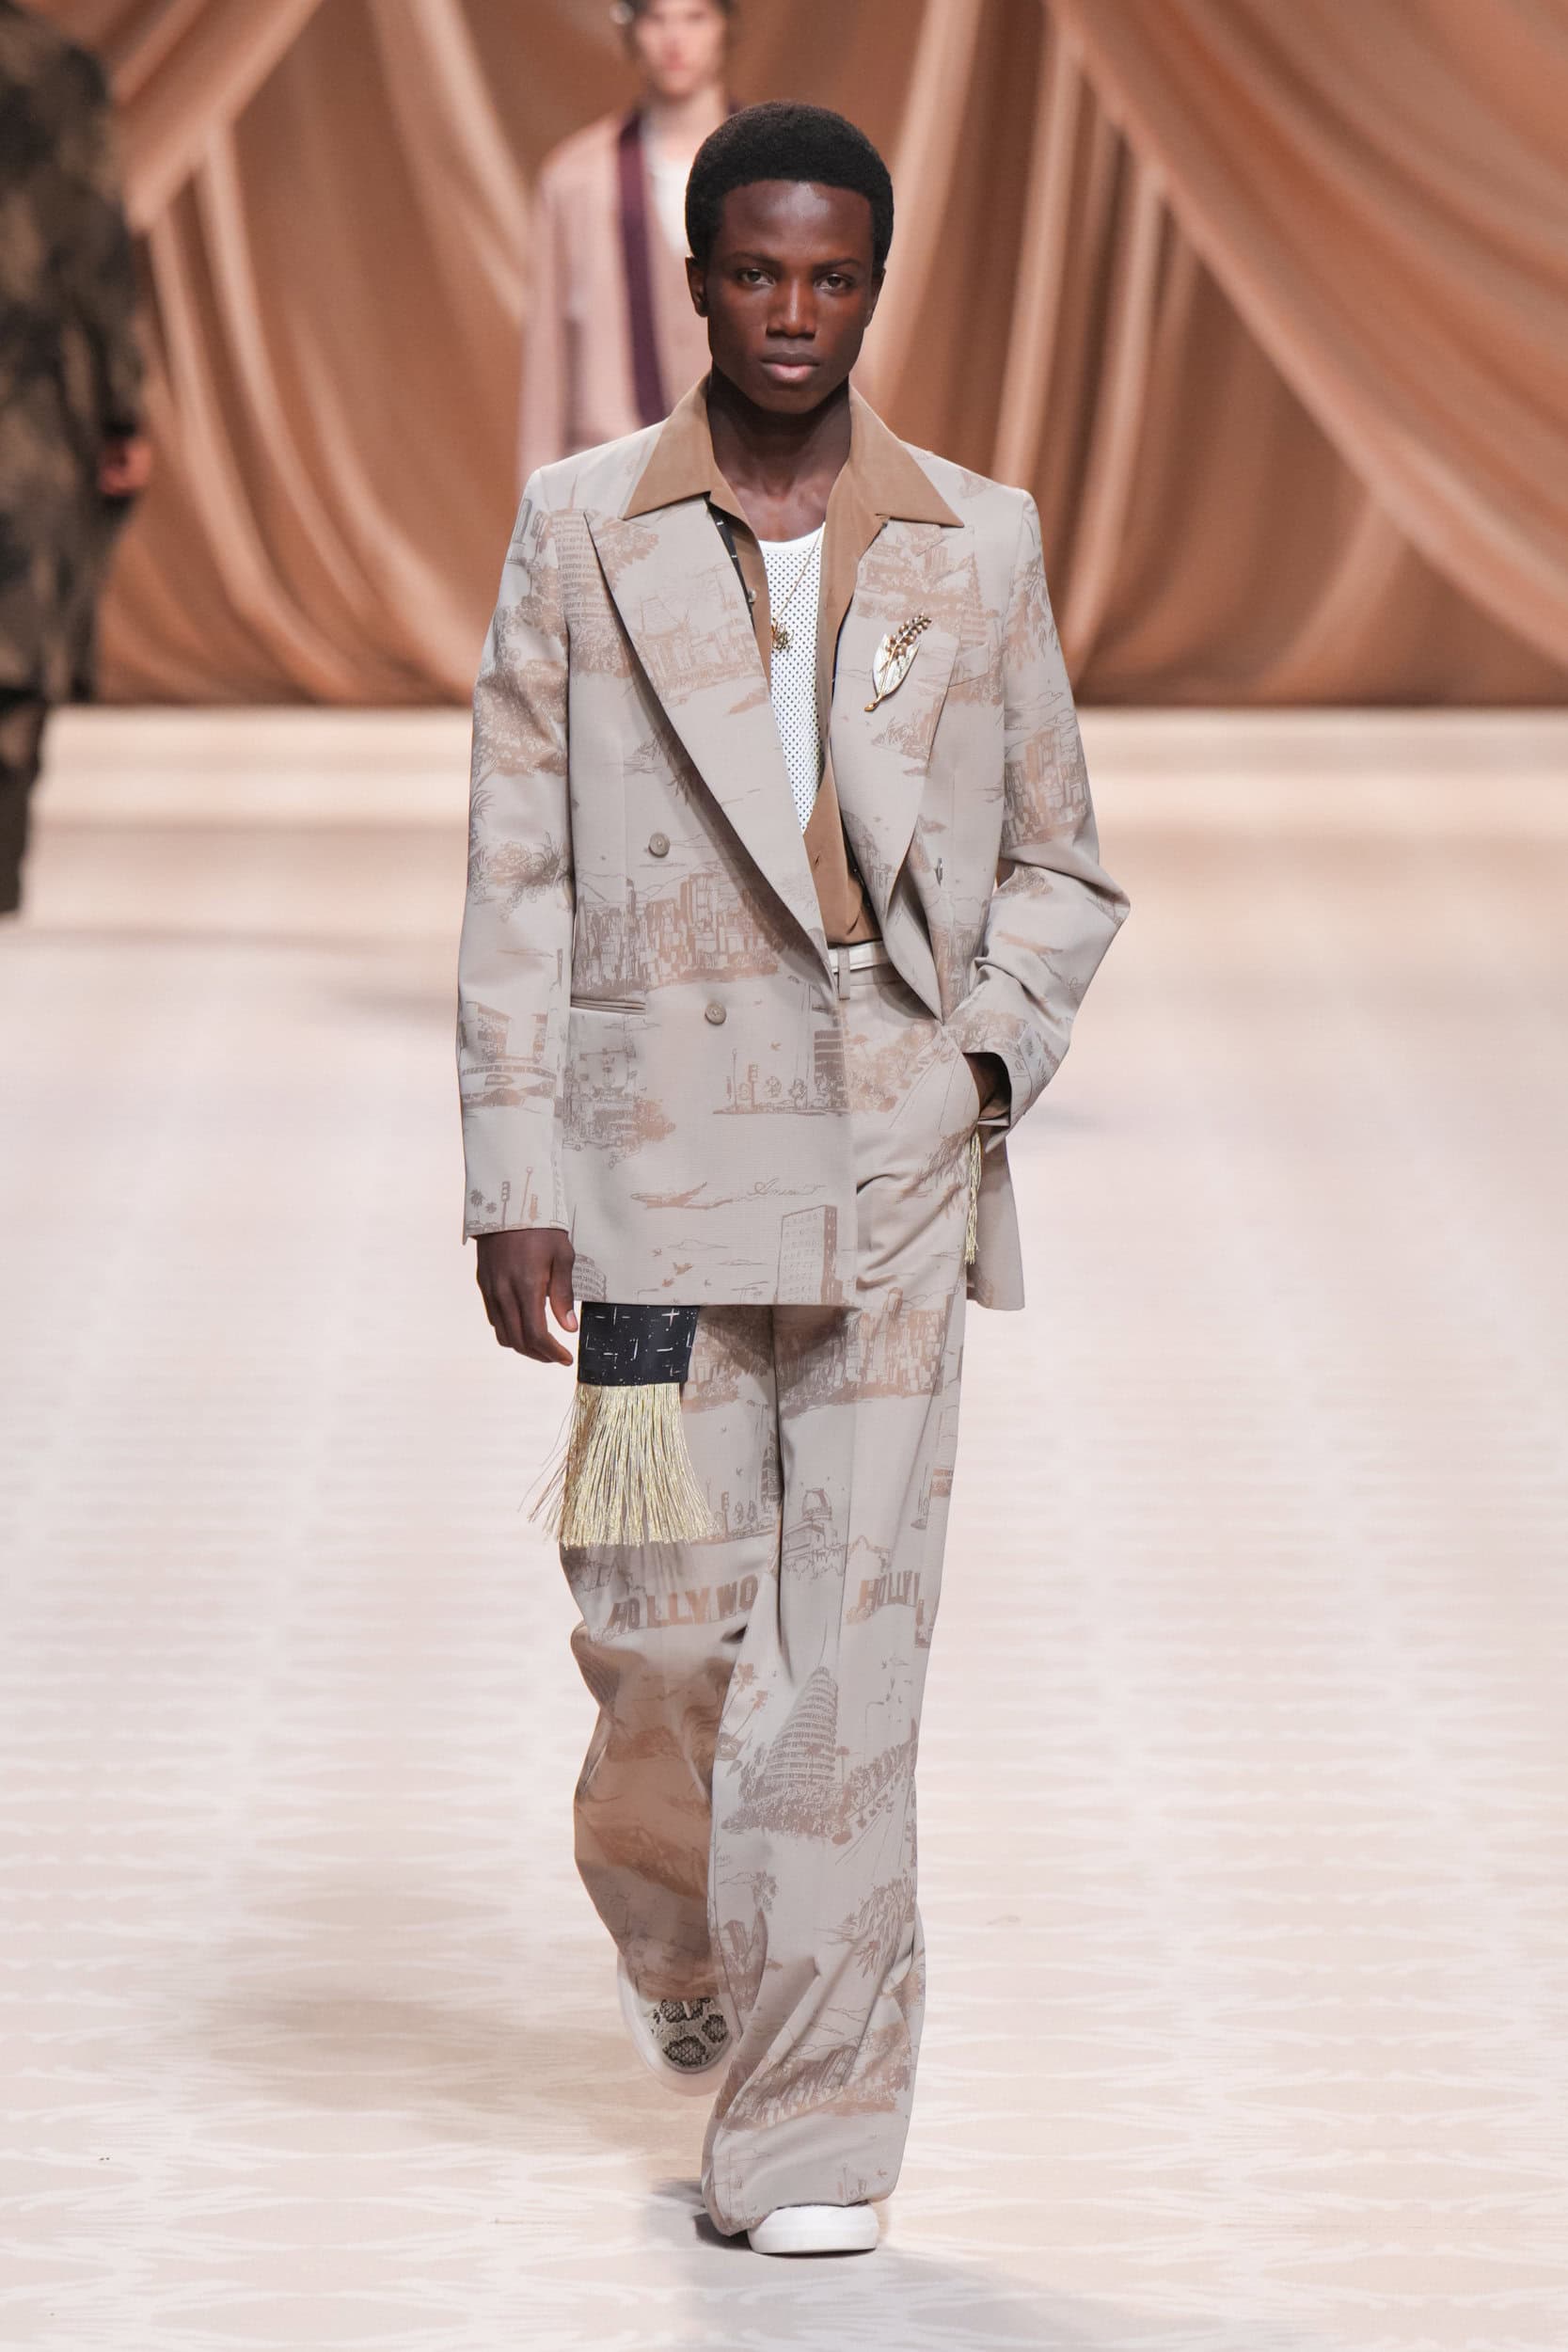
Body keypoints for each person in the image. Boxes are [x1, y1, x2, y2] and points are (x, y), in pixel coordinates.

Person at [459, 101, 1128, 2255]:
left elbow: (1061, 863)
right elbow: (516, 867)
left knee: (840, 1676)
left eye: (831, 278)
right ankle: (673, 1920)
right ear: (694, 282)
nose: (790, 313)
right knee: (656, 1640)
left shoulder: (975, 541)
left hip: (884, 1181)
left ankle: (814, 2132)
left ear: (873, 288)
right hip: (641, 1191)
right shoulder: (579, 528)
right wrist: (509, 1164)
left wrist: (975, 1065)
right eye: (753, 272)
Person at [0, 1, 149, 916]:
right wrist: (123, 407)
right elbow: (95, 250)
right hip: (26, 403)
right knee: (17, 630)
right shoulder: (56, 71)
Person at [518, 0, 734, 484]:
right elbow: (546, 362)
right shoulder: (574, 178)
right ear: (631, 28)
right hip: (607, 477)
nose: (675, 39)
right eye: (657, 17)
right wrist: (536, 506)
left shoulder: (779, 170)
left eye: (695, 16)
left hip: (755, 481)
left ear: (725, 26)